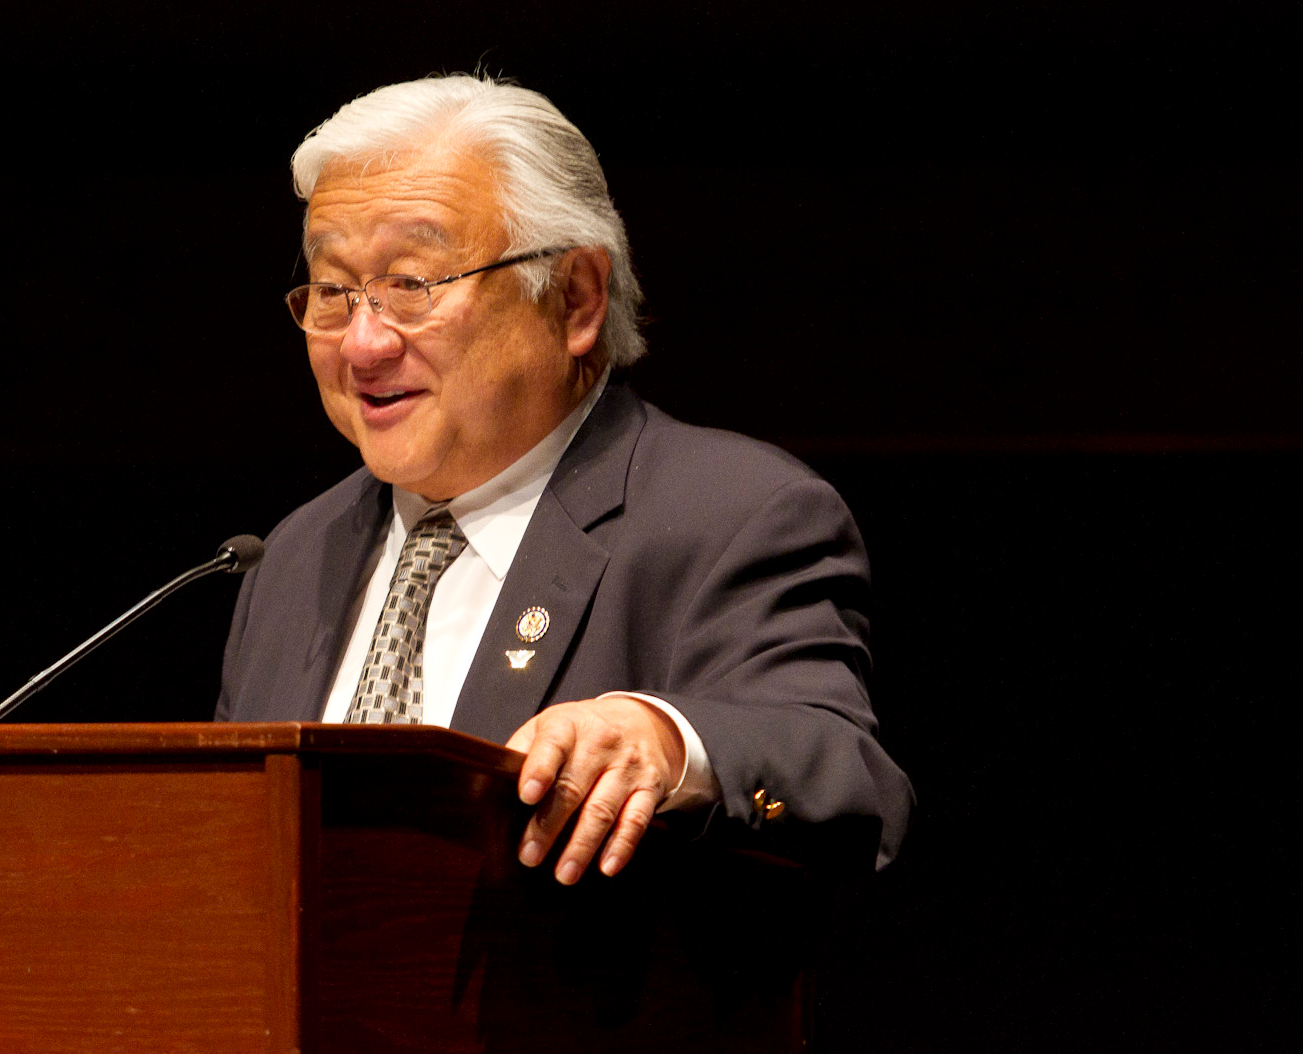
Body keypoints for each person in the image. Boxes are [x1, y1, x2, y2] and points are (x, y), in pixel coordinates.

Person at [217, 73, 911, 880]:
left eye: (411, 286)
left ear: (576, 299)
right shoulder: (293, 555)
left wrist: (668, 739)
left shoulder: (732, 515)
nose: (363, 344)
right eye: (335, 292)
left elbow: (846, 772)